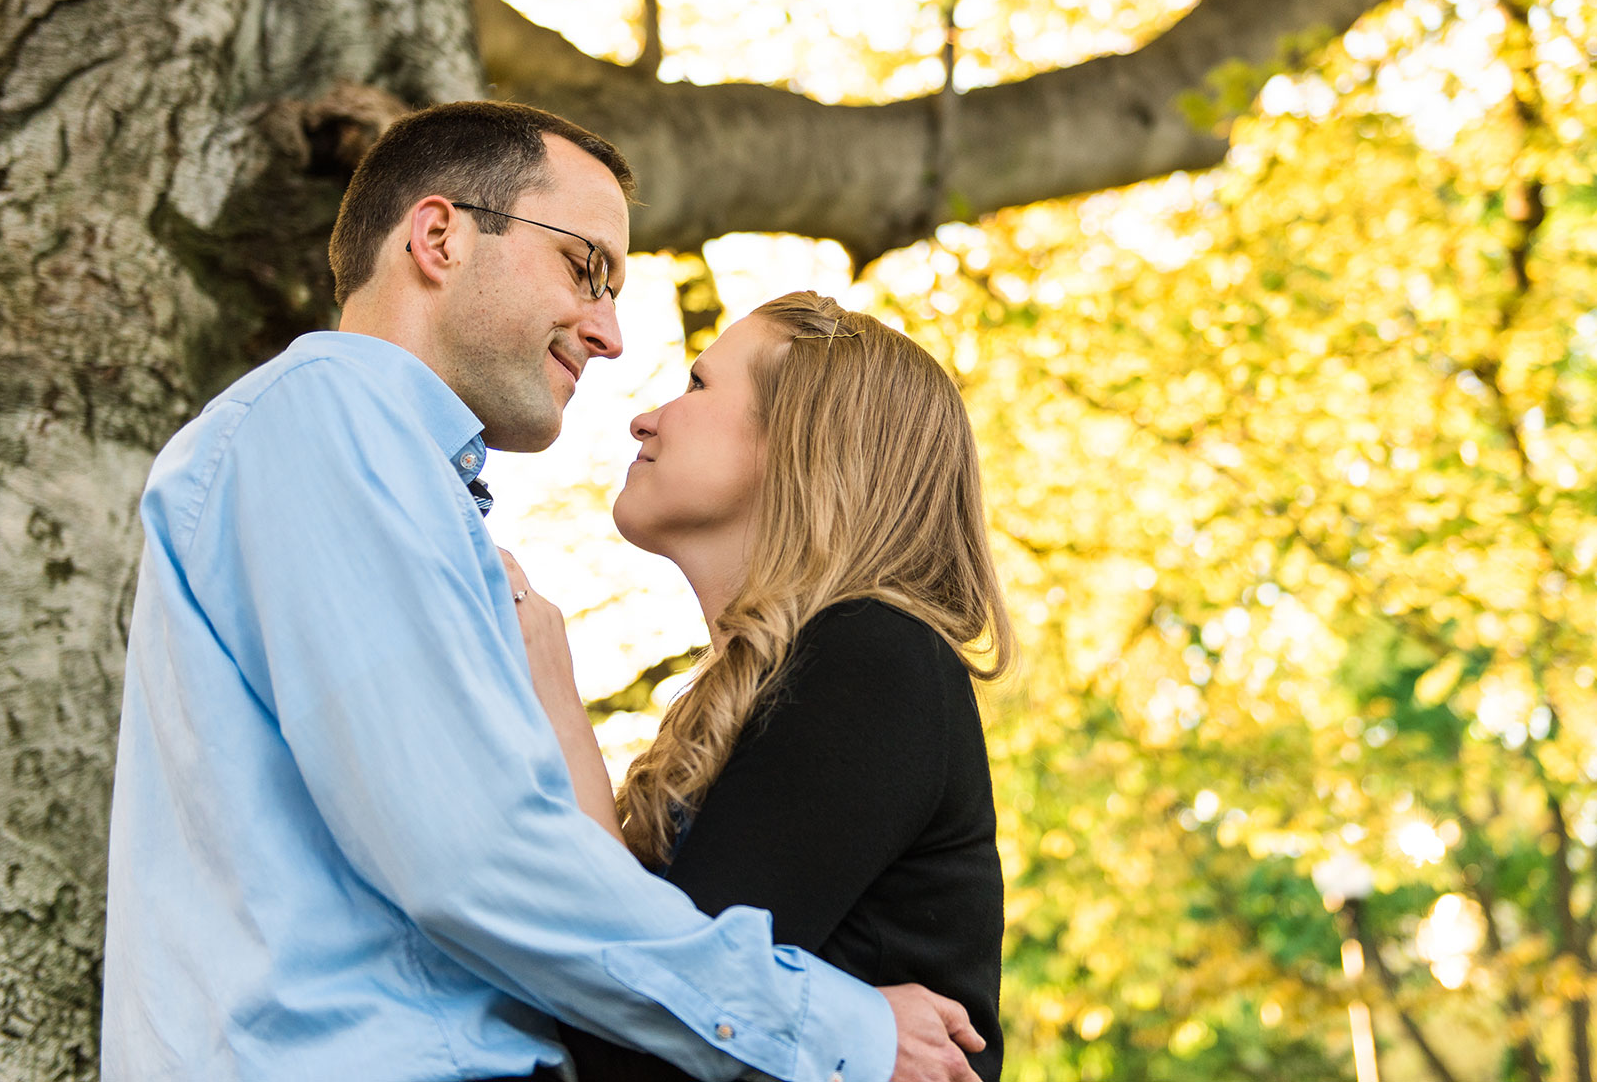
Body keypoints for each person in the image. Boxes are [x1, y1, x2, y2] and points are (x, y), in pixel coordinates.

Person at [103, 102, 984, 1082]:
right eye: (584, 267)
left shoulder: (394, 485)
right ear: (438, 236)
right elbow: (473, 854)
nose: (610, 336)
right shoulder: (328, 426)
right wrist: (837, 1026)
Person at [502, 292, 1014, 1082]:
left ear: (804, 442)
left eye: (700, 386)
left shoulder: (874, 659)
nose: (647, 418)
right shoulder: (787, 680)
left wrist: (558, 702)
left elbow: (640, 1035)